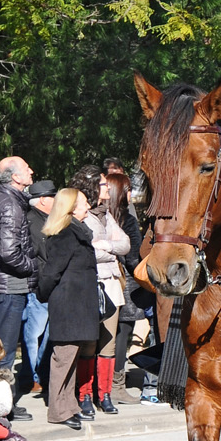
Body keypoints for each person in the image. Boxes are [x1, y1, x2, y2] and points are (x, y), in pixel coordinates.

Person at [69, 166, 131, 416]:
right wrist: (109, 250)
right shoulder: (82, 216)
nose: (107, 188)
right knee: (88, 344)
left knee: (109, 343)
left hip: (113, 287)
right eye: (103, 184)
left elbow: (125, 244)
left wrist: (105, 245)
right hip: (93, 286)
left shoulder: (108, 215)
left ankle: (104, 394)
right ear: (93, 187)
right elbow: (87, 252)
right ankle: (85, 394)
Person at [38, 187, 99, 429]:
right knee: (63, 359)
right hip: (68, 305)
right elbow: (52, 273)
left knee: (71, 358)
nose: (89, 207)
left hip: (78, 305)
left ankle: (69, 405)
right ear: (72, 207)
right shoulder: (65, 233)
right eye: (84, 202)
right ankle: (58, 410)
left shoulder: (77, 231)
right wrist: (42, 294)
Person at [0, 155, 36, 377]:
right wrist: (31, 267)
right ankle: (2, 408)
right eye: (27, 168)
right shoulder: (11, 206)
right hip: (8, 286)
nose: (32, 171)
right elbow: (8, 252)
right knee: (3, 351)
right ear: (16, 177)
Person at [106, 170, 143, 403]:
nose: (130, 194)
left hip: (107, 282)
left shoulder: (101, 216)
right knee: (122, 335)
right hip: (126, 283)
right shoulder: (127, 220)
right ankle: (117, 385)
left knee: (106, 337)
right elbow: (133, 258)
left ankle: (104, 385)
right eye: (128, 189)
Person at [23, 179, 56, 395]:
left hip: (48, 285)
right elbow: (40, 255)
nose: (56, 200)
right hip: (39, 287)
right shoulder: (33, 222)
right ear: (43, 200)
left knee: (47, 334)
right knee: (34, 334)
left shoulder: (46, 220)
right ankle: (33, 376)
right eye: (53, 196)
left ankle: (40, 373)